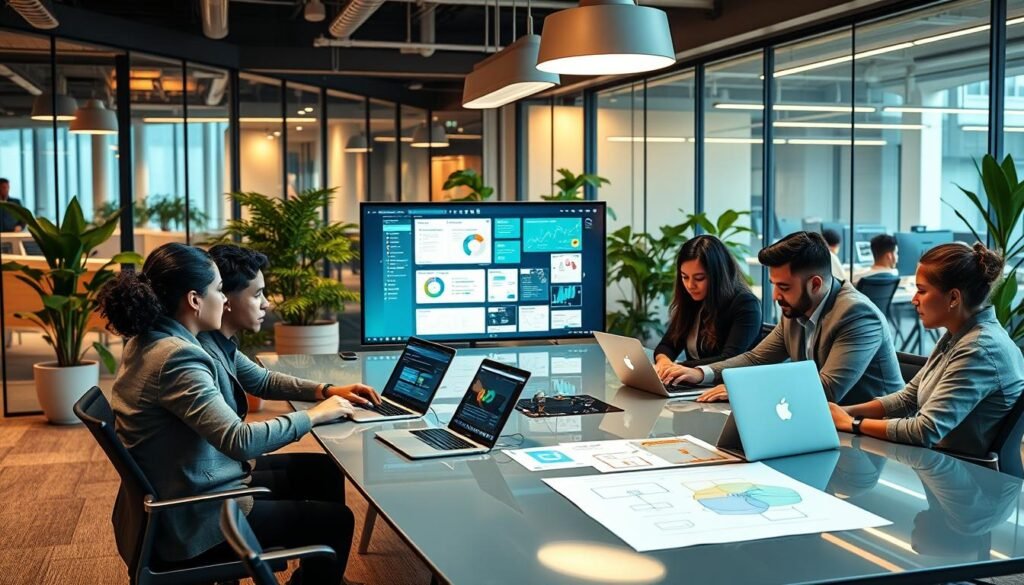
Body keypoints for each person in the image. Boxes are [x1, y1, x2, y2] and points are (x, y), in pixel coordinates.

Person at [98, 242, 359, 584]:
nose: (223, 299)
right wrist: (315, 415)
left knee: (323, 472)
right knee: (336, 521)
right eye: (219, 290)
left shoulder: (160, 338)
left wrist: (325, 391)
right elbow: (238, 441)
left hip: (183, 487)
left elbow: (260, 379)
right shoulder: (177, 358)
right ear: (194, 300)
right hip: (194, 517)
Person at [829, 243, 1024, 457]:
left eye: (922, 290)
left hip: (970, 479)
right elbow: (908, 398)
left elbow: (925, 430)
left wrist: (853, 423)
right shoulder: (957, 335)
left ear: (954, 298)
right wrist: (844, 413)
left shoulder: (980, 348)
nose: (914, 299)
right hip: (940, 465)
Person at [666, 231, 903, 405]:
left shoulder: (856, 315)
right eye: (773, 285)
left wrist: (745, 389)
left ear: (815, 284)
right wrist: (701, 373)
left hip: (880, 440)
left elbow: (828, 389)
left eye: (784, 287)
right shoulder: (796, 309)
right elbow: (756, 358)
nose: (776, 296)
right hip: (824, 424)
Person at [653, 236, 762, 381]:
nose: (690, 285)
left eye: (699, 278)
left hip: (728, 387)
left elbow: (729, 359)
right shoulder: (692, 300)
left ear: (718, 276)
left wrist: (680, 367)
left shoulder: (746, 304)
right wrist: (664, 362)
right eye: (684, 277)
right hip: (696, 386)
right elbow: (668, 345)